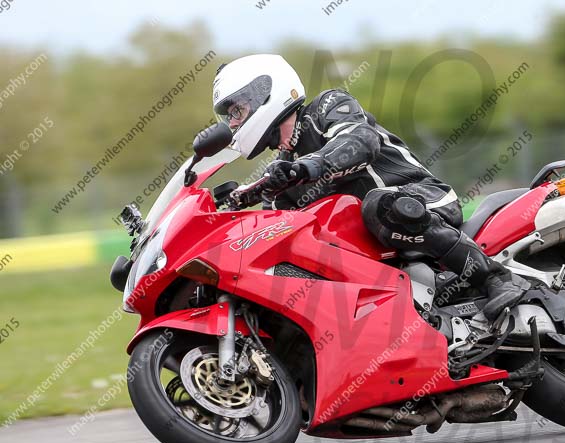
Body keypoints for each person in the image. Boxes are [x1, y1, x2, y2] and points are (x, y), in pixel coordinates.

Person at [214, 54, 528, 321]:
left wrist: (306, 167)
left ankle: (496, 277)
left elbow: (360, 141)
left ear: (266, 94)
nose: (234, 123)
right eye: (230, 116)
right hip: (373, 245)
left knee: (380, 206)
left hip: (422, 199)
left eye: (237, 111)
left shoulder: (327, 106)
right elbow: (278, 232)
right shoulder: (282, 174)